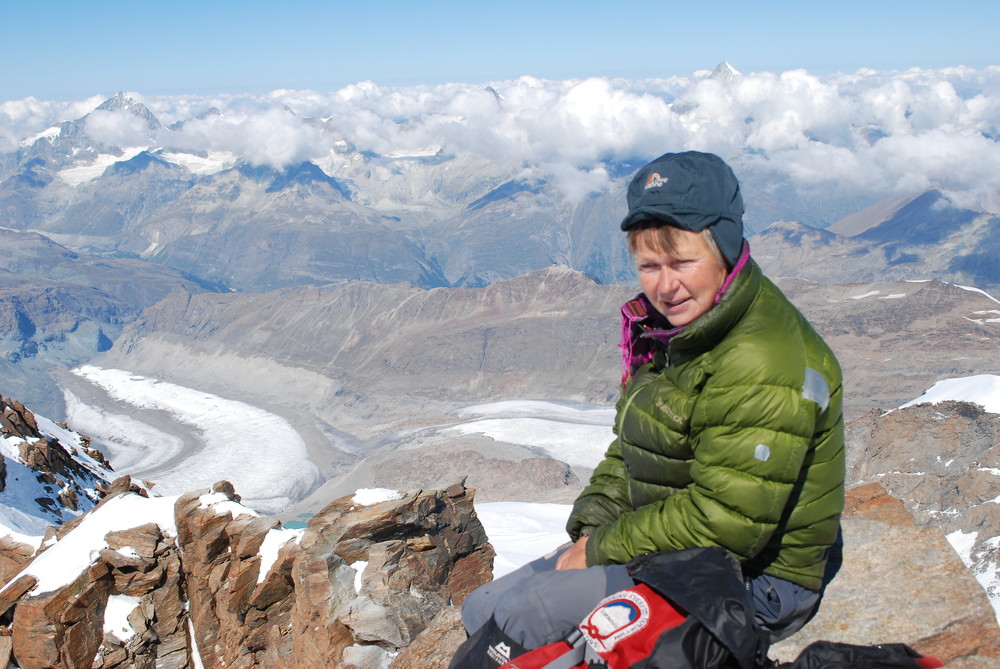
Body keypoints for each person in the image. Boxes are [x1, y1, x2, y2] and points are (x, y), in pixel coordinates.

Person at [457, 151, 845, 658]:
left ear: (725, 249)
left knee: (529, 614)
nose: (665, 285)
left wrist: (600, 549)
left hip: (756, 579)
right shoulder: (678, 332)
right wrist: (592, 528)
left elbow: (727, 523)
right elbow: (634, 450)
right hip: (678, 548)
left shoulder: (761, 360)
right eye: (649, 266)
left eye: (683, 263)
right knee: (482, 608)